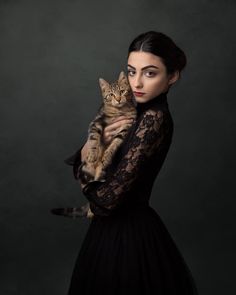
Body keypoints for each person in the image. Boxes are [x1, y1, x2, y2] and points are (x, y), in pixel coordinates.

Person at [66, 31, 199, 295]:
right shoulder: (131, 110)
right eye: (131, 71)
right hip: (107, 233)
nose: (136, 82)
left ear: (172, 76)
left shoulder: (155, 119)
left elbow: (107, 200)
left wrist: (85, 182)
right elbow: (85, 157)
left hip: (130, 236)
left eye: (150, 73)